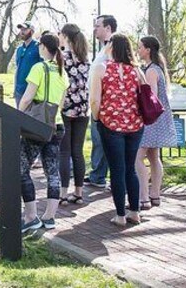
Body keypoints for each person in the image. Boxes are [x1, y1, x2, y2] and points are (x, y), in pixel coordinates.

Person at [89, 33, 145, 227]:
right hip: (135, 124)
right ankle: (135, 212)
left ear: (111, 46)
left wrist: (96, 118)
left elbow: (95, 99)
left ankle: (120, 215)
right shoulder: (137, 71)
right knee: (130, 168)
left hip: (111, 123)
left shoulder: (101, 68)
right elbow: (145, 96)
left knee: (117, 169)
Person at [18, 33, 69, 232]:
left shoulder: (39, 68)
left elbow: (27, 98)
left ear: (43, 47)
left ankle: (31, 216)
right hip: (56, 126)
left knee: (21, 169)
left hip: (37, 126)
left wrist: (17, 116)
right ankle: (49, 217)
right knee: (52, 172)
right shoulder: (62, 72)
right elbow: (61, 104)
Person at [135, 36, 177, 209]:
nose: (138, 50)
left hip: (151, 119)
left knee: (137, 158)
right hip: (159, 118)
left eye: (140, 47)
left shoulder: (151, 71)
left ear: (148, 50)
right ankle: (155, 195)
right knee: (154, 157)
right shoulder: (157, 68)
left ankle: (144, 196)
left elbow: (150, 96)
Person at [58, 23, 90, 206]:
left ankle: (63, 192)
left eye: (61, 34)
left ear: (66, 36)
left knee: (64, 151)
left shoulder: (62, 57)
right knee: (78, 152)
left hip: (66, 108)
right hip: (83, 109)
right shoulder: (86, 58)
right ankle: (78, 192)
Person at [85, 14, 117, 189]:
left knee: (105, 140)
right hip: (98, 99)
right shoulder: (103, 48)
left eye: (98, 26)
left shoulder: (113, 47)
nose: (94, 29)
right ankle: (97, 174)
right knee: (99, 140)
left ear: (108, 28)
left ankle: (109, 177)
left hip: (106, 101)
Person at [14, 22, 41, 109]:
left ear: (32, 31)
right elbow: (17, 69)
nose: (22, 32)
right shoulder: (19, 49)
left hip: (32, 91)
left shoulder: (38, 47)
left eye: (25, 29)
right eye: (21, 29)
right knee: (19, 119)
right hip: (19, 91)